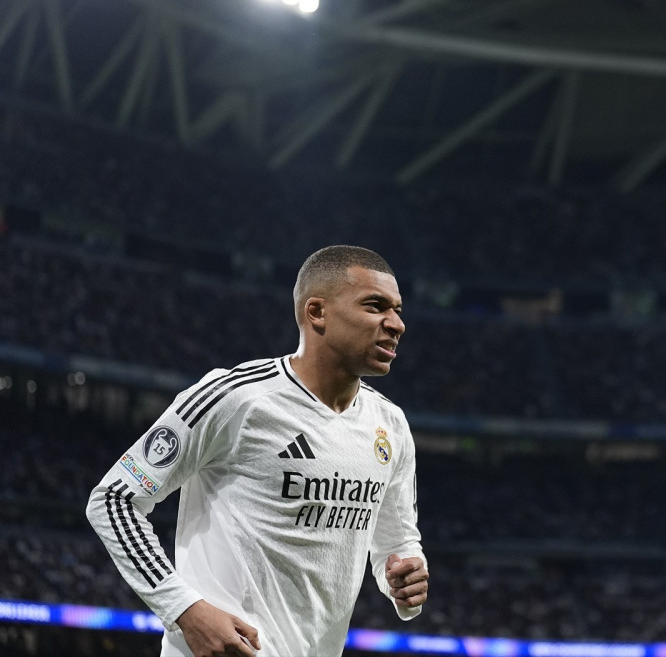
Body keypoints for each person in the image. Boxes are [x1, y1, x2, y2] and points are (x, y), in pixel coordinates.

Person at [87, 245, 428, 657]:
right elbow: (114, 499)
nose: (396, 324)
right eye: (375, 306)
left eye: (398, 309)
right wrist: (185, 609)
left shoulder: (389, 425)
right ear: (316, 312)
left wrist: (406, 580)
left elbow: (398, 544)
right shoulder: (236, 398)